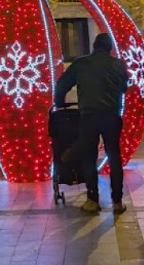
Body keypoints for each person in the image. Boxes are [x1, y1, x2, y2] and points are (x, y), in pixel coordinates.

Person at [54, 33, 130, 214]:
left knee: (89, 157)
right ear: (109, 48)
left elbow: (62, 84)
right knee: (114, 156)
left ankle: (92, 199)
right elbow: (124, 88)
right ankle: (117, 201)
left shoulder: (81, 63)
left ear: (94, 46)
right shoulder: (118, 65)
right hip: (111, 116)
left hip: (88, 116)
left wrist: (59, 102)